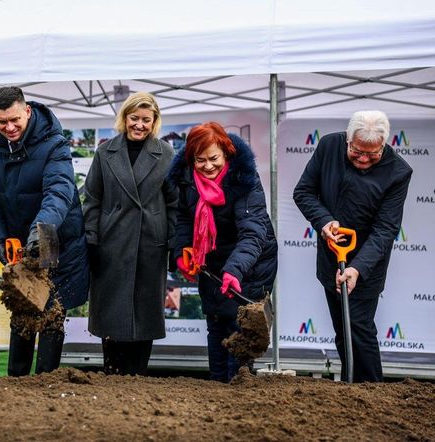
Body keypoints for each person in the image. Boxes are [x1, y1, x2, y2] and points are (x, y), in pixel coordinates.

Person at [293, 110, 412, 383]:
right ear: (348, 139)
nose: (364, 159)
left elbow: (386, 229)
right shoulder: (329, 147)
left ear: (384, 143)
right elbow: (304, 192)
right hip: (331, 256)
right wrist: (323, 222)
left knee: (358, 326)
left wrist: (357, 269)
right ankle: (350, 390)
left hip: (367, 264)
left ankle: (371, 391)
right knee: (342, 328)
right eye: (358, 151)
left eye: (373, 154)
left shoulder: (398, 172)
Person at [0, 86, 89, 376]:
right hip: (21, 241)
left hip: (55, 239)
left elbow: (58, 192)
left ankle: (46, 382)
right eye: (2, 122)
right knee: (23, 310)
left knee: (51, 314)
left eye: (15, 119)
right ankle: (16, 382)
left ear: (27, 111)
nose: (9, 127)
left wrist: (39, 233)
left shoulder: (54, 144)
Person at [169, 122, 277, 383]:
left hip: (251, 261)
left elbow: (253, 233)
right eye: (200, 160)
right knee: (216, 320)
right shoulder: (186, 179)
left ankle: (238, 386)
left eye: (214, 159)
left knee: (240, 325)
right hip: (212, 260)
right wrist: (183, 249)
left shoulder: (244, 180)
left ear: (226, 153)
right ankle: (216, 384)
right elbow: (184, 216)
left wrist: (235, 269)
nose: (207, 166)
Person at [83, 92, 178, 376]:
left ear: (155, 121)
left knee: (144, 313)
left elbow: (174, 203)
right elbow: (92, 199)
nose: (139, 125)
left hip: (150, 244)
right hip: (111, 244)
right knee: (111, 314)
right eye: (134, 118)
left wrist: (171, 241)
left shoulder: (166, 154)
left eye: (146, 120)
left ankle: (138, 375)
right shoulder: (105, 152)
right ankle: (112, 374)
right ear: (124, 118)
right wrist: (91, 238)